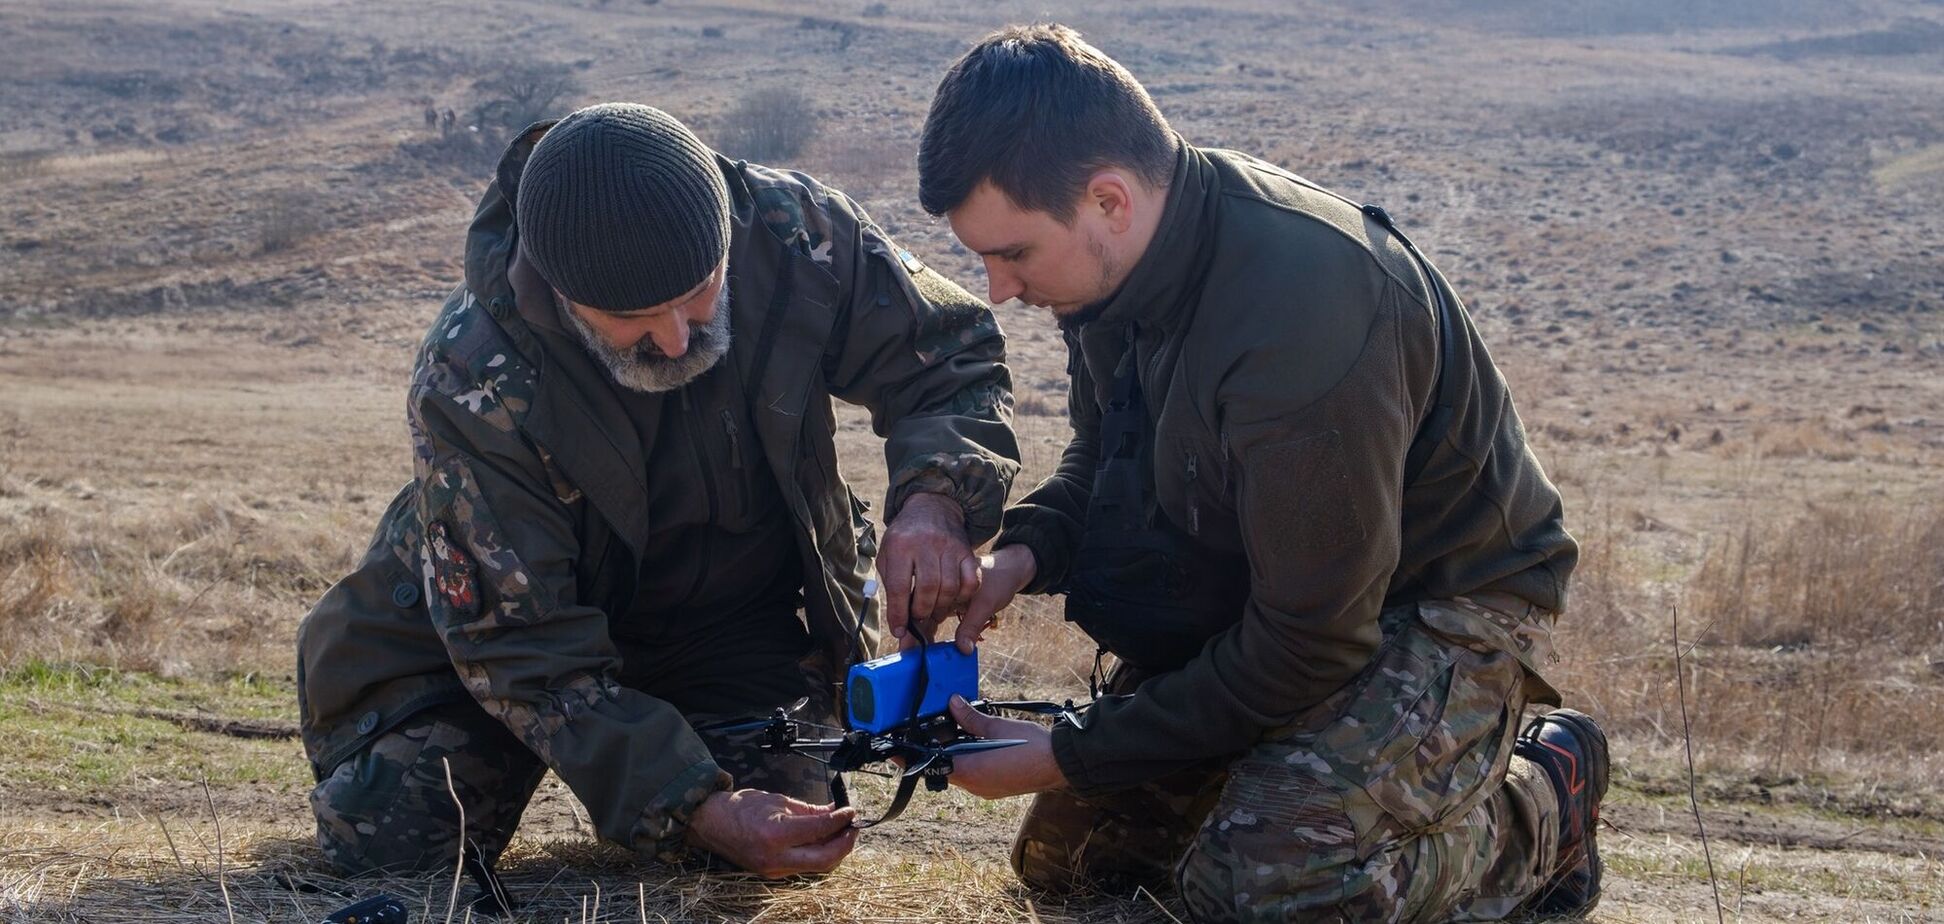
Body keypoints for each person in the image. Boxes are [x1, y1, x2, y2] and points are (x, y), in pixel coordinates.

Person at [907, 25, 1603, 922]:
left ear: (1109, 200)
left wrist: (1068, 752)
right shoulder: (1113, 276)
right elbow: (1104, 455)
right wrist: (1020, 560)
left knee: (1270, 888)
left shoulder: (1300, 314)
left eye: (1014, 254)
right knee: (1074, 865)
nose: (999, 289)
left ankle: (1541, 803)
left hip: (1443, 598)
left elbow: (1314, 640)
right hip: (1279, 588)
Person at [296, 103, 1020, 880]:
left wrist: (935, 502)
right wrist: (691, 805)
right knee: (394, 843)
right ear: (562, 296)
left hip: (726, 632)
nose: (678, 339)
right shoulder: (475, 374)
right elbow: (519, 646)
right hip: (498, 652)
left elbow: (947, 355)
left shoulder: (791, 233)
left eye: (701, 292)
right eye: (631, 317)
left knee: (781, 837)